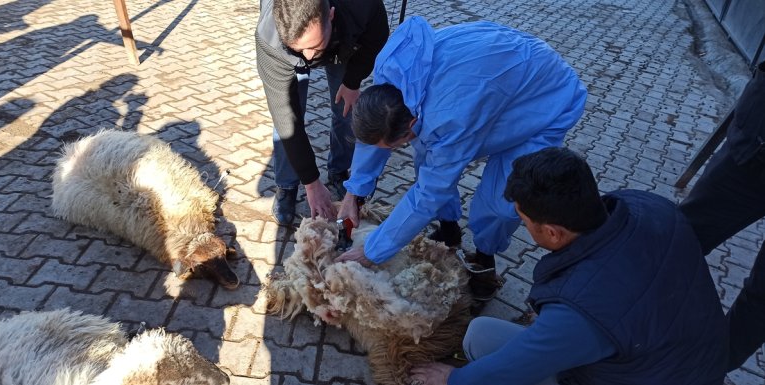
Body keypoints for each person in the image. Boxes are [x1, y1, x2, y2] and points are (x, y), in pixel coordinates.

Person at [409, 147, 728, 385]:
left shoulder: (582, 310)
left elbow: (516, 366)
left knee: (483, 350)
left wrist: (452, 379)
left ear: (552, 232)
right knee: (481, 334)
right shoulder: (649, 207)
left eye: (523, 220)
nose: (523, 227)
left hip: (643, 375)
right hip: (687, 360)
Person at [333, 16, 587, 300]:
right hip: (494, 77)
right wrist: (353, 194)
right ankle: (450, 230)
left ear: (411, 124)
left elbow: (429, 193)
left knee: (502, 200)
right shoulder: (390, 83)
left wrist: (372, 252)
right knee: (425, 159)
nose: (391, 150)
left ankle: (484, 262)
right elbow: (376, 139)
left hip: (544, 99)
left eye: (394, 146)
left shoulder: (450, 119)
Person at [255, 0, 389, 224]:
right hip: (289, 46)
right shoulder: (270, 38)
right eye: (300, 49)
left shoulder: (362, 6)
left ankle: (339, 170)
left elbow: (376, 36)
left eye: (313, 47)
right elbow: (287, 118)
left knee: (346, 110)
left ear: (331, 15)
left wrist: (353, 81)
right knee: (286, 123)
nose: (307, 59)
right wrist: (311, 182)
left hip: (342, 39)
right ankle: (287, 185)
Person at [679, 60, 765, 371]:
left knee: (762, 301)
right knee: (676, 240)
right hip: (753, 153)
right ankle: (594, 323)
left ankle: (699, 373)